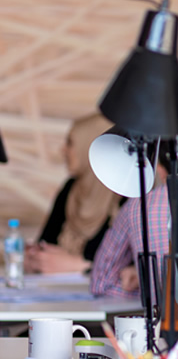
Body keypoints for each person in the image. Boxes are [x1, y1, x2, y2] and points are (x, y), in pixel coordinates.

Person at [26, 113, 122, 274]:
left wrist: (80, 265)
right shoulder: (70, 189)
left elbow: (130, 264)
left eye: (70, 143)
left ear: (91, 144)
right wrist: (35, 257)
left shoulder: (125, 194)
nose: (63, 150)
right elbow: (46, 241)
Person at [90, 146, 171, 298]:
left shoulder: (138, 206)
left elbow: (100, 284)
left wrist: (148, 286)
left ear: (160, 171)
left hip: (161, 318)